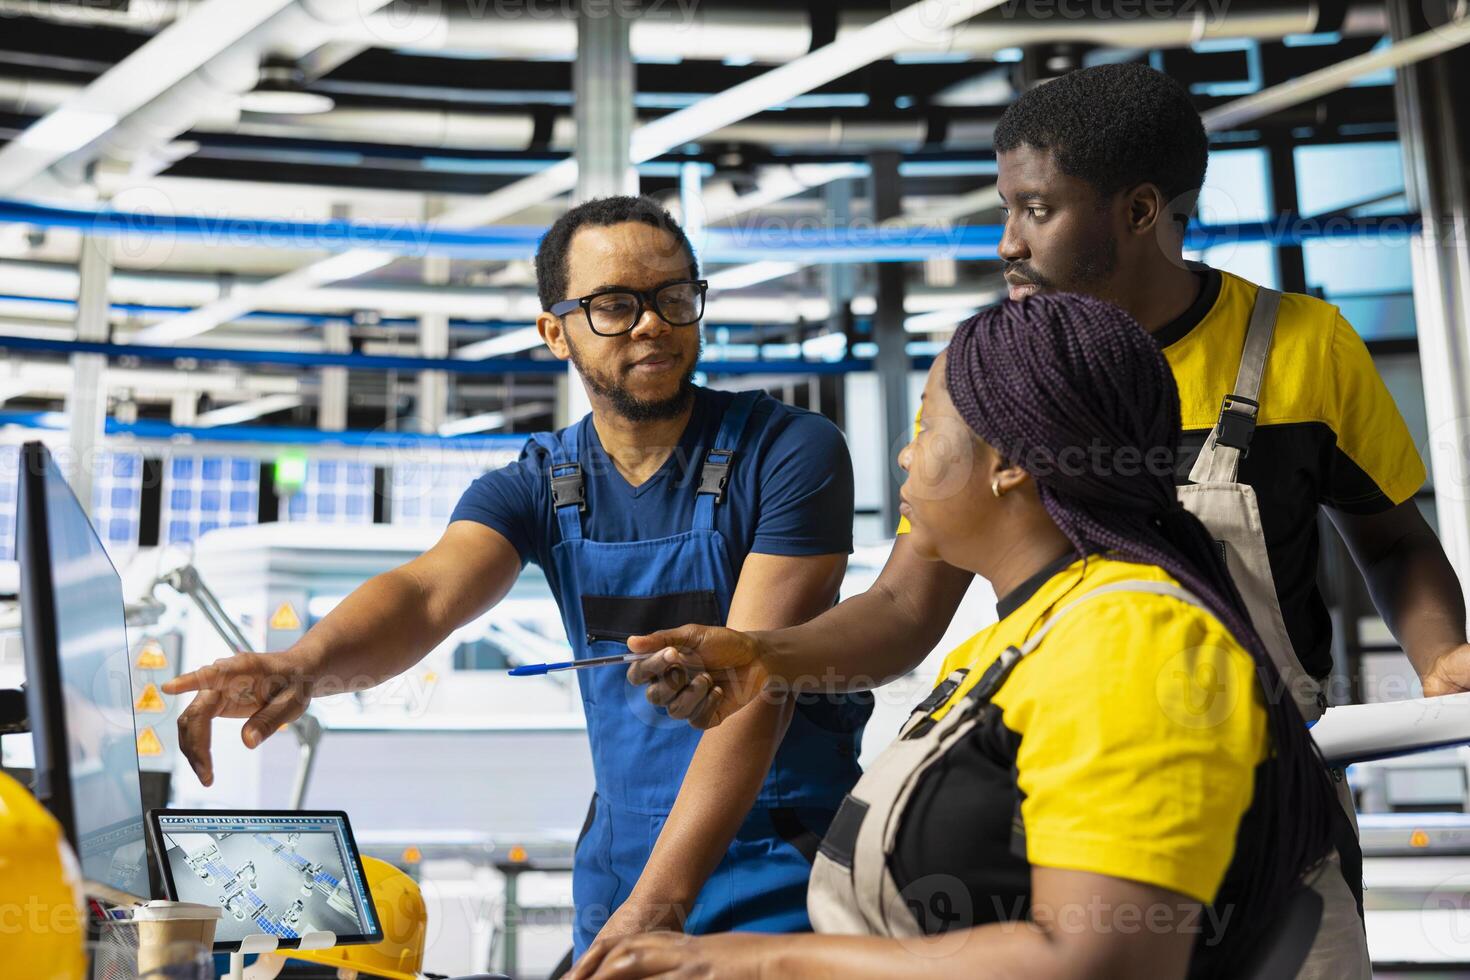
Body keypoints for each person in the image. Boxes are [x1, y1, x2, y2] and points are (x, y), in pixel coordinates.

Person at [611, 61, 1468, 768]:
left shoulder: (1301, 345)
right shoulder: (986, 371)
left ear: (1137, 212)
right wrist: (763, 655)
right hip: (1077, 780)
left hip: (1284, 788)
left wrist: (1440, 658)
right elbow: (908, 606)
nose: (1007, 243)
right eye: (1005, 209)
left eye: (1038, 210)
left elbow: (1392, 544)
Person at [163, 196, 871, 961]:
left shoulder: (790, 452)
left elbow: (754, 694)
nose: (651, 323)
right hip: (623, 867)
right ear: (554, 332)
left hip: (780, 870)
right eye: (613, 305)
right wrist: (306, 664)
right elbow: (426, 593)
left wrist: (655, 911)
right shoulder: (539, 483)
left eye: (674, 297)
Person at [577, 294, 1366, 979]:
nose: (906, 452)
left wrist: (744, 962)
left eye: (926, 425)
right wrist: (759, 655)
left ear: (1009, 465)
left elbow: (1104, 963)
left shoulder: (1130, 639)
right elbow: (891, 614)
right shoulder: (1022, 635)